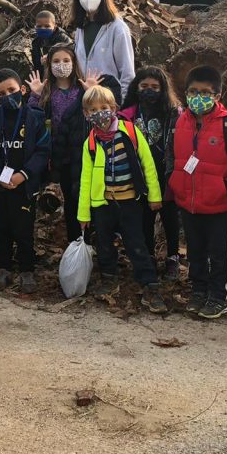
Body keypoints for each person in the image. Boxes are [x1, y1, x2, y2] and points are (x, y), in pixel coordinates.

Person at [77, 85, 167, 313]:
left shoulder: (130, 132)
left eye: (104, 107)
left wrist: (155, 196)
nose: (99, 113)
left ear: (114, 108)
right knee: (104, 243)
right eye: (93, 110)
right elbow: (85, 180)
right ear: (86, 114)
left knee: (136, 242)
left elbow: (148, 165)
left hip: (130, 201)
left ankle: (149, 284)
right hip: (103, 204)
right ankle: (108, 278)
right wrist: (83, 214)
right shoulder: (90, 143)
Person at [166, 65, 227, 320]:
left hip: (219, 203)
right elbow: (170, 155)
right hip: (188, 201)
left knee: (219, 253)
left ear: (217, 95)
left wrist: (225, 187)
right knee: (195, 250)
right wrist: (173, 180)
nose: (197, 97)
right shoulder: (179, 122)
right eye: (193, 91)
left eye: (204, 92)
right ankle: (198, 291)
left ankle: (218, 297)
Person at [0, 69, 50, 294]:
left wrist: (24, 175)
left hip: (24, 185)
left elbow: (42, 150)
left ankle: (27, 270)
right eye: (2, 93)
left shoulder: (35, 117)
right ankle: (4, 269)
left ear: (23, 89)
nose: (7, 95)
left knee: (24, 229)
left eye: (12, 90)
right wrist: (0, 176)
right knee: (1, 228)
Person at [119, 66, 183, 282]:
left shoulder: (173, 113)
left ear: (163, 89)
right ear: (136, 87)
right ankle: (148, 257)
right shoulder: (127, 115)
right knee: (144, 218)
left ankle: (173, 257)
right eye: (144, 86)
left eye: (155, 87)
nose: (149, 90)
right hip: (139, 174)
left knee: (170, 217)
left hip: (166, 172)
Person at [26, 43, 89, 243]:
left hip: (83, 152)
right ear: (50, 65)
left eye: (66, 60)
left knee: (85, 195)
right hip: (59, 154)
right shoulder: (47, 92)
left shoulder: (81, 89)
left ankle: (90, 238)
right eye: (56, 61)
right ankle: (74, 241)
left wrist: (91, 92)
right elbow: (32, 119)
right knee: (69, 197)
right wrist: (35, 95)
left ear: (74, 63)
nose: (61, 65)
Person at [71, 0, 136, 95]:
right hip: (86, 100)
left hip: (109, 100)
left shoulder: (117, 28)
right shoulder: (81, 28)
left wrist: (121, 103)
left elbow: (127, 74)